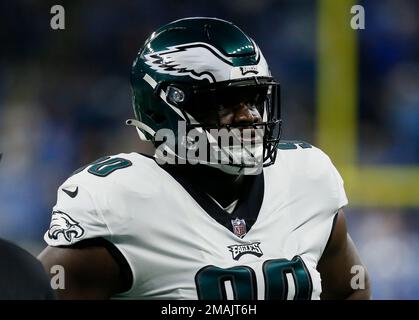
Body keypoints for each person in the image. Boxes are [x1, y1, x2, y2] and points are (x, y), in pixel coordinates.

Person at [38, 17, 370, 299]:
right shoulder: (123, 200)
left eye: (254, 97)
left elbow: (351, 289)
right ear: (163, 110)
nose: (249, 116)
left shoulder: (306, 177)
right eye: (225, 102)